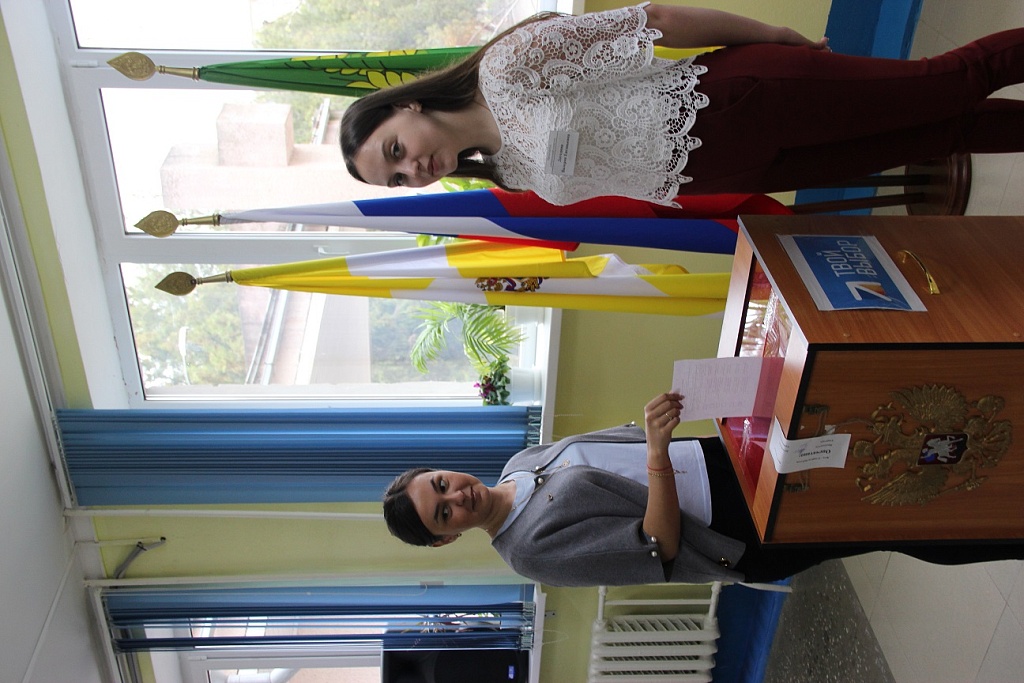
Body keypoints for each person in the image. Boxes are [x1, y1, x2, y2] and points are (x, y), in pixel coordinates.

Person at [342, 3, 1024, 207]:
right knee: (941, 133)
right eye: (397, 179)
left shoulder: (508, 67)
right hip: (738, 169)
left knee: (947, 82)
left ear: (407, 107)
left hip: (738, 100)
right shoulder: (508, 173)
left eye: (395, 151)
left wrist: (773, 36)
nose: (412, 170)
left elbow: (657, 22)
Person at [382, 392, 1024, 587]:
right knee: (886, 521)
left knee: (875, 460)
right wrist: (657, 453)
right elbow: (657, 546)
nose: (456, 496)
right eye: (443, 514)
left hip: (727, 461)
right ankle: (1006, 528)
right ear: (446, 540)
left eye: (441, 484)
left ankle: (993, 465)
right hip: (739, 528)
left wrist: (667, 416)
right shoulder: (529, 552)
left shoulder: (522, 461)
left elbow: (624, 445)